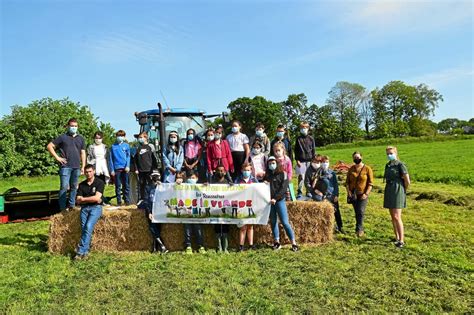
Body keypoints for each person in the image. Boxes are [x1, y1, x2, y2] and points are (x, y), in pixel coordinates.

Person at [47, 118, 86, 211]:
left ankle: (71, 206)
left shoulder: (81, 139)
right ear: (68, 126)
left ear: (78, 127)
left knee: (74, 187)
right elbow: (49, 146)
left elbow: (83, 152)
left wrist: (83, 166)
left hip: (76, 166)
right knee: (64, 187)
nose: (73, 128)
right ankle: (63, 208)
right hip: (65, 167)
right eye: (72, 126)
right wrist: (57, 158)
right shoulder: (62, 137)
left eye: (75, 126)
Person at [264, 156, 299, 252]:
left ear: (277, 163)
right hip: (270, 202)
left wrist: (275, 198)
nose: (272, 165)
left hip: (279, 201)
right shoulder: (267, 175)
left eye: (273, 163)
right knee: (273, 222)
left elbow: (283, 188)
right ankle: (276, 242)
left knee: (285, 222)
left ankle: (294, 243)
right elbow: (263, 187)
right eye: (270, 163)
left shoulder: (283, 174)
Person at [73, 164, 105, 260]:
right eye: (86, 172)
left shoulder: (100, 182)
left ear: (94, 171)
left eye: (90, 171)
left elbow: (97, 198)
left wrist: (84, 199)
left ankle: (80, 252)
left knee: (88, 226)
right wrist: (90, 199)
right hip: (84, 209)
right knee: (84, 228)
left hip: (96, 208)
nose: (88, 174)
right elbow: (78, 200)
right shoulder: (82, 185)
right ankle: (86, 251)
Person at [383, 146, 410, 248]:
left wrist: (403, 190)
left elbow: (407, 180)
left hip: (398, 190)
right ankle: (397, 237)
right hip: (389, 189)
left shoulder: (400, 165)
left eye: (391, 153)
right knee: (392, 216)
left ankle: (401, 240)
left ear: (395, 153)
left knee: (397, 216)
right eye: (388, 154)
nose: (389, 155)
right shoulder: (388, 165)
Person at [309, 155, 343, 233]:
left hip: (332, 195)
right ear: (321, 163)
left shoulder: (332, 173)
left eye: (327, 162)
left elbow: (336, 185)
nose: (325, 164)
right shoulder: (318, 173)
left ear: (329, 163)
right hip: (324, 196)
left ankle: (340, 226)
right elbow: (313, 185)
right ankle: (328, 228)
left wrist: (336, 195)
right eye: (323, 162)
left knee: (336, 211)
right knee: (326, 213)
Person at [138, 170, 168, 253]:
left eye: (157, 176)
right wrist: (149, 212)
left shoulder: (162, 187)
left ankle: (155, 247)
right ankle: (162, 246)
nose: (156, 178)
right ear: (151, 177)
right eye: (154, 176)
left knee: (158, 228)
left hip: (159, 210)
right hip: (151, 209)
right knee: (152, 227)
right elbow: (146, 200)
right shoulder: (147, 187)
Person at [346, 152, 374, 237]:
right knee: (357, 211)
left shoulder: (367, 169)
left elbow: (370, 183)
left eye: (358, 157)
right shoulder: (351, 169)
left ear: (361, 157)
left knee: (361, 211)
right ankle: (358, 228)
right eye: (355, 157)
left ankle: (359, 229)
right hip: (353, 194)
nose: (356, 159)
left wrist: (366, 193)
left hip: (362, 194)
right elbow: (347, 182)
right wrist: (349, 192)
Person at [209, 166, 234, 253]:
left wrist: (232, 186)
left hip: (226, 208)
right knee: (217, 228)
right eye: (218, 171)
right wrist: (205, 186)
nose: (220, 172)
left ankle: (225, 248)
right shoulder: (212, 183)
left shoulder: (228, 183)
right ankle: (218, 247)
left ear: (225, 172)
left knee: (226, 228)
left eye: (222, 171)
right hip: (215, 209)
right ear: (215, 172)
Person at [235, 163, 259, 252]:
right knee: (243, 227)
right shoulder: (238, 180)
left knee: (250, 226)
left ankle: (251, 244)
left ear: (251, 171)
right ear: (242, 171)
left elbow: (260, 190)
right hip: (241, 205)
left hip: (251, 205)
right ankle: (241, 245)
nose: (246, 172)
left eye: (248, 170)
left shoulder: (254, 180)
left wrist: (265, 184)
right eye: (245, 170)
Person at [182, 171, 206, 254]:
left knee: (198, 228)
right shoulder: (183, 187)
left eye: (193, 178)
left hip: (196, 210)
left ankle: (200, 246)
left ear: (197, 179)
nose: (191, 180)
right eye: (189, 178)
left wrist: (207, 186)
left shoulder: (200, 187)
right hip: (186, 210)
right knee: (187, 229)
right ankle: (188, 246)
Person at [134, 132, 158, 202]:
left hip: (149, 169)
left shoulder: (150, 147)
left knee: (151, 184)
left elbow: (154, 159)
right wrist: (136, 169)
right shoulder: (138, 148)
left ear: (146, 138)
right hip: (141, 170)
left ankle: (152, 198)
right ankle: (142, 199)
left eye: (141, 137)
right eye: (139, 138)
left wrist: (154, 168)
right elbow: (135, 160)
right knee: (142, 185)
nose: (140, 139)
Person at [108, 130, 131, 206]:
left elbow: (128, 156)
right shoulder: (113, 146)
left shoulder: (126, 146)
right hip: (117, 169)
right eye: (118, 136)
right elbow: (110, 159)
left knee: (126, 185)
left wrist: (127, 166)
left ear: (124, 137)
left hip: (125, 169)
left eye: (121, 136)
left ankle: (127, 201)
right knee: (118, 186)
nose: (120, 137)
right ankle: (119, 201)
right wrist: (111, 170)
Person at [294, 122, 316, 199]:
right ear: (300, 129)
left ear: (308, 128)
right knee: (301, 177)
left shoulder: (311, 138)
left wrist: (314, 160)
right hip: (301, 161)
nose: (304, 129)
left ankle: (309, 191)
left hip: (310, 161)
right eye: (302, 127)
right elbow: (296, 150)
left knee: (309, 177)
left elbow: (313, 150)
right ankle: (299, 192)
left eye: (306, 127)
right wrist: (297, 160)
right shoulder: (298, 139)